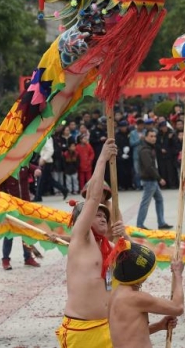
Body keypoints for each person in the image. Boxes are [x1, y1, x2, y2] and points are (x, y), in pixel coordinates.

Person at [55, 138, 122, 347]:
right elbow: (93, 199)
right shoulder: (82, 239)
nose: (103, 217)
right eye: (97, 215)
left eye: (105, 216)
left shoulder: (108, 246)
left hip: (108, 327)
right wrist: (102, 158)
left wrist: (124, 235)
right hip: (80, 332)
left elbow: (136, 269)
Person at [107, 240, 183, 348]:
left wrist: (159, 326)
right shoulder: (136, 298)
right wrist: (178, 274)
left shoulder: (114, 295)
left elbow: (127, 336)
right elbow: (178, 307)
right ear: (141, 277)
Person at [0, 166, 41, 270]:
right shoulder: (6, 166)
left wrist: (36, 170)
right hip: (10, 206)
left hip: (25, 205)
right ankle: (5, 259)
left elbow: (33, 167)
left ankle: (28, 258)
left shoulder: (24, 163)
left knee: (26, 232)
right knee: (9, 234)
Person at [136, 129, 173, 230]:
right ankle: (139, 225)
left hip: (152, 180)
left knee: (159, 200)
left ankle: (161, 223)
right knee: (145, 202)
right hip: (149, 180)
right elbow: (149, 167)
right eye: (151, 136)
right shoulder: (145, 150)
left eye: (154, 136)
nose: (153, 138)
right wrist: (159, 178)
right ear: (146, 137)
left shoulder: (150, 148)